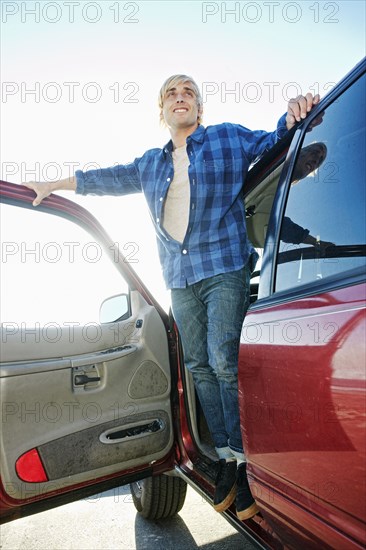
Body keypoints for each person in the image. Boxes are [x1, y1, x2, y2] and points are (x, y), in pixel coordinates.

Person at [24, 74, 320, 521]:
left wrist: (295, 110)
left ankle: (243, 464)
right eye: (171, 94)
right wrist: (54, 186)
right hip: (179, 278)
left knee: (222, 360)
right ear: (161, 112)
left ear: (199, 109)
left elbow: (273, 140)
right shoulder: (150, 164)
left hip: (224, 267)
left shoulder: (226, 138)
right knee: (198, 365)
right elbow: (105, 179)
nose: (180, 99)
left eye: (189, 94)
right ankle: (223, 456)